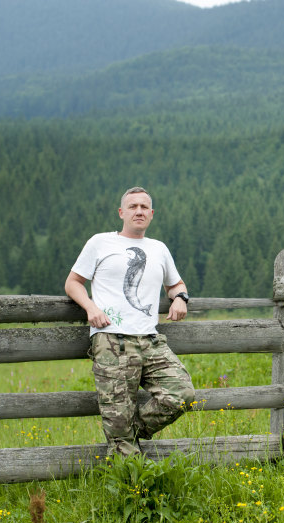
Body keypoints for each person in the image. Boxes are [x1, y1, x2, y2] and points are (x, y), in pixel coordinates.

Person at [65, 186, 195, 456]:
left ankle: (124, 433)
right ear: (121, 212)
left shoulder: (159, 249)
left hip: (150, 340)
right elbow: (73, 283)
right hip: (112, 341)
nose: (139, 211)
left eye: (144, 207)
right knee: (119, 424)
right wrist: (90, 307)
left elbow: (176, 283)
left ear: (152, 214)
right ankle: (132, 485)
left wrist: (180, 297)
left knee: (182, 395)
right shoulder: (100, 242)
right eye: (133, 206)